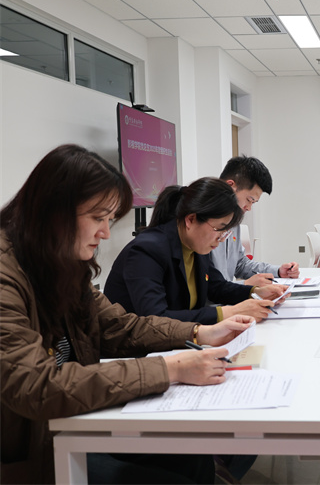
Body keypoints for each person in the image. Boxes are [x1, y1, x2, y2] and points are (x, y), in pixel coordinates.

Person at [0, 144, 256, 484]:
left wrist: (197, 333)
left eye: (109, 220)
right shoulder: (7, 275)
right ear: (54, 211)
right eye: (98, 218)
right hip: (34, 450)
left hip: (78, 420)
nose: (106, 233)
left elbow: (118, 326)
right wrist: (169, 368)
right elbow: (37, 386)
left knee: (193, 457)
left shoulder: (61, 262)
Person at [105, 177, 286, 325]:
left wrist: (255, 292)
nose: (222, 238)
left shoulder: (195, 245)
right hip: (133, 351)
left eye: (226, 232)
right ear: (191, 220)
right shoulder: (146, 251)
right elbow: (156, 318)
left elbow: (217, 287)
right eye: (219, 229)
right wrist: (228, 313)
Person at [210, 155, 299, 287]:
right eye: (249, 200)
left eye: (253, 202)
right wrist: (245, 285)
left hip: (227, 296)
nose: (249, 208)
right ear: (230, 186)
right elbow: (209, 287)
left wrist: (278, 271)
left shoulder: (234, 221)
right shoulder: (204, 222)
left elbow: (240, 264)